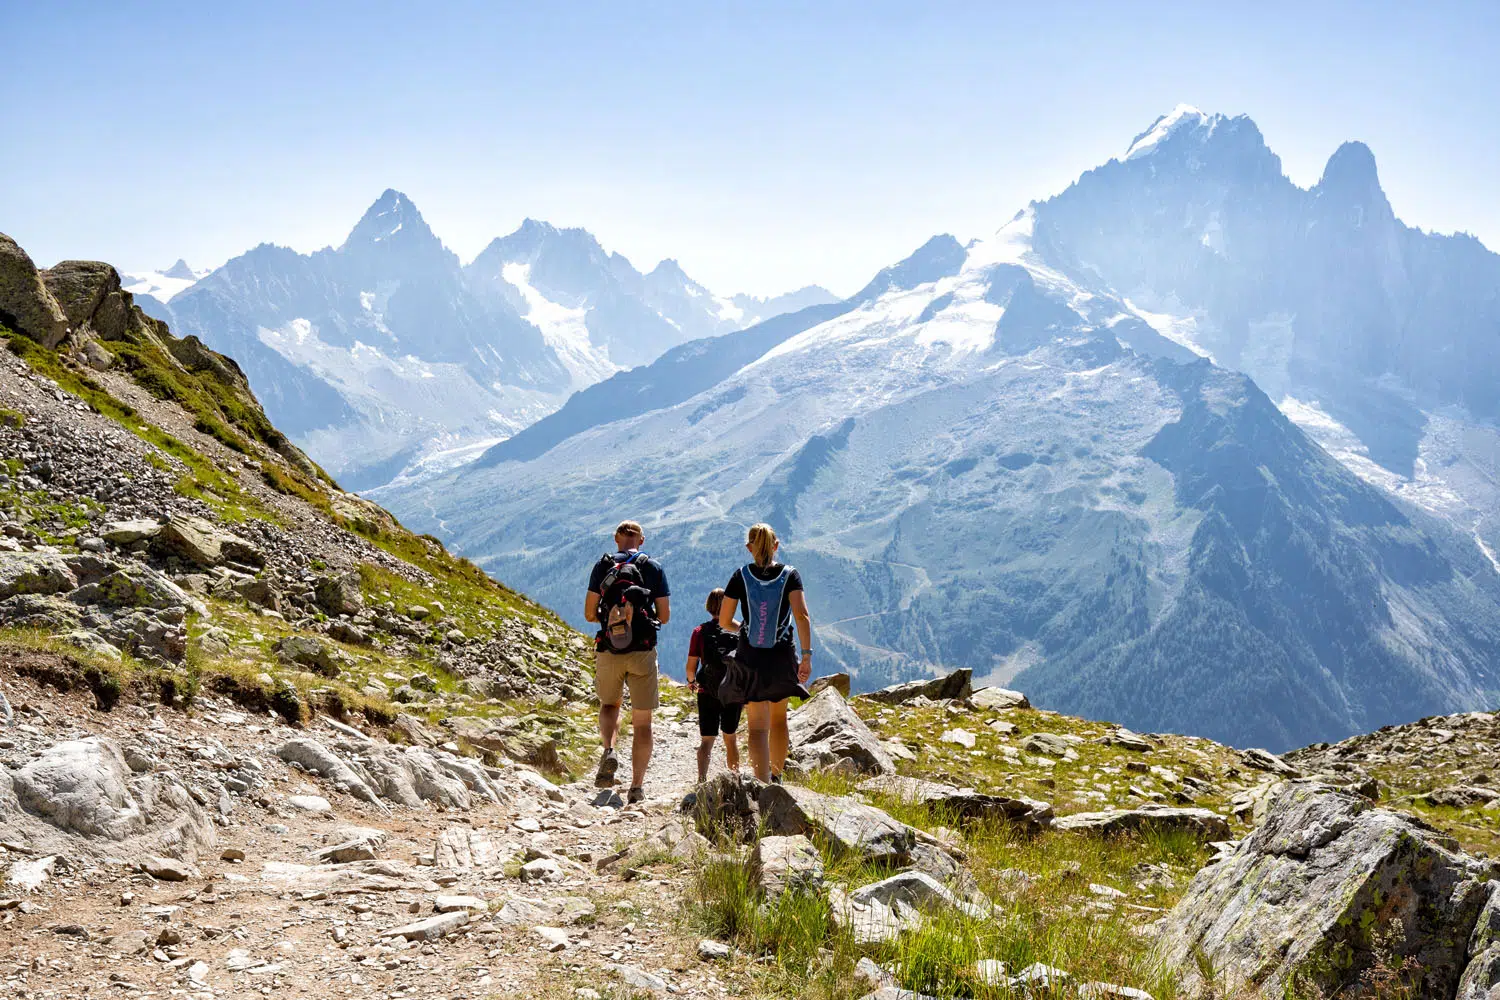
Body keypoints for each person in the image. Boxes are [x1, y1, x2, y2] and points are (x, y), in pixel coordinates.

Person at [584, 519, 670, 804]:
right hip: (643, 650)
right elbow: (665, 616)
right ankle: (636, 787)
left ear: (616, 538)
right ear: (641, 540)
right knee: (643, 723)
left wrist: (612, 622)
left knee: (610, 705)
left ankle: (609, 750)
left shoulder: (603, 566)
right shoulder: (653, 567)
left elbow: (588, 613)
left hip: (609, 648)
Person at [717, 523, 812, 783]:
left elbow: (724, 620)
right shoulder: (790, 575)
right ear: (776, 545)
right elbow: (802, 616)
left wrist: (745, 629)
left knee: (757, 726)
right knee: (779, 720)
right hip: (781, 653)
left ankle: (761, 783)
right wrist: (806, 655)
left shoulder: (740, 576)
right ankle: (777, 777)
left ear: (749, 548)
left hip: (750, 655)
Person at [685, 588, 741, 783]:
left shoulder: (700, 632)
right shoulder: (739, 630)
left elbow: (691, 666)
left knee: (707, 740)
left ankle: (702, 780)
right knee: (730, 738)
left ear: (708, 606)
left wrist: (691, 681)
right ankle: (735, 780)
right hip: (733, 691)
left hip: (707, 690)